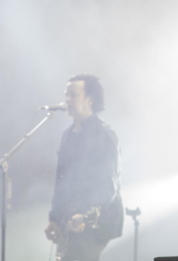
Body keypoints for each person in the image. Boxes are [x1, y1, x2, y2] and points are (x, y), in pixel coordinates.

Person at [45, 74, 124, 261]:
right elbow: (61, 181)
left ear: (90, 99)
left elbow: (108, 184)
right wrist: (54, 219)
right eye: (66, 95)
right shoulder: (67, 136)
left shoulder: (104, 135)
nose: (67, 100)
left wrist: (85, 216)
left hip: (94, 223)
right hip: (69, 220)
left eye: (73, 95)